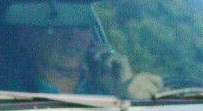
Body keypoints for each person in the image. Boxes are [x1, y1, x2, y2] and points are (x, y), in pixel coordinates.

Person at [15, 22, 162, 99]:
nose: (73, 36)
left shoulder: (104, 89)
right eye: (58, 26)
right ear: (26, 37)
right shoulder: (7, 93)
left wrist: (121, 89)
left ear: (93, 42)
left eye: (83, 26)